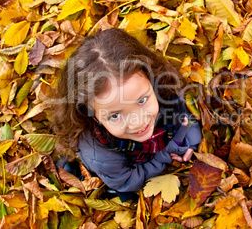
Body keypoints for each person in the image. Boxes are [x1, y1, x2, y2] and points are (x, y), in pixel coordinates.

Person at [52, 28, 202, 195]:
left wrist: (188, 143)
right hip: (127, 174)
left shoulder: (163, 92)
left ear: (151, 79)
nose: (137, 121)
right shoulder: (99, 152)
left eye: (142, 101)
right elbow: (127, 182)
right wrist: (167, 154)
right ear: (92, 116)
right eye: (115, 115)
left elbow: (184, 116)